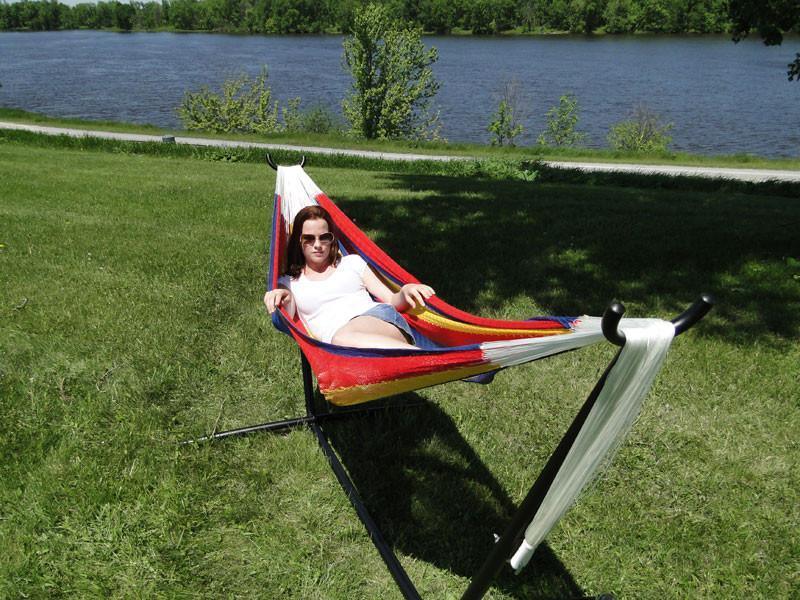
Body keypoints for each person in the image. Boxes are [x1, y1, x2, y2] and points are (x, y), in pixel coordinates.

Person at [263, 206, 434, 349]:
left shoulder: (352, 263)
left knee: (342, 339)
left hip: (379, 322)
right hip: (340, 352)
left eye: (324, 237)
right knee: (340, 340)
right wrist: (281, 297)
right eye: (308, 238)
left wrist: (405, 292)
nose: (317, 245)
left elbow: (391, 299)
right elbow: (287, 316)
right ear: (298, 242)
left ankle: (422, 357)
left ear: (332, 240)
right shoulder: (290, 284)